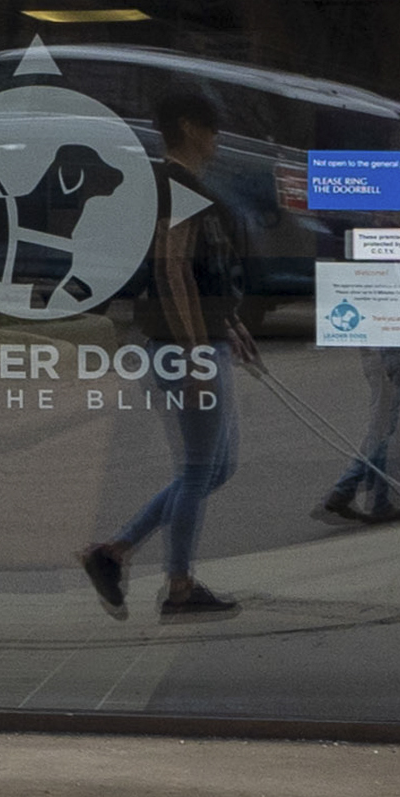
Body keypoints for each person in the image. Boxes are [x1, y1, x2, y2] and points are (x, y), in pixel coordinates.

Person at [80, 89, 252, 620]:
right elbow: (172, 271)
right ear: (190, 127)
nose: (218, 137)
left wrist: (230, 321)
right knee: (202, 467)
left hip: (193, 342)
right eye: (212, 127)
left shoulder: (176, 185)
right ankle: (178, 587)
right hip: (181, 349)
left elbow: (198, 275)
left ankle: (114, 553)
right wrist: (196, 354)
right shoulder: (174, 186)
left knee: (216, 466)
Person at [312, 346, 400, 525]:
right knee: (383, 433)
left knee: (384, 430)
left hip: (388, 354)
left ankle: (364, 496)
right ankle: (352, 493)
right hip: (392, 354)